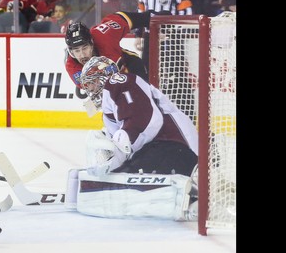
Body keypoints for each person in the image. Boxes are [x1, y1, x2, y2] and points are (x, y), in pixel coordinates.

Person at [65, 55, 198, 220]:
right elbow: (126, 144)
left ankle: (190, 196)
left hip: (176, 144)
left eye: (91, 82)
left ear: (103, 76)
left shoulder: (117, 82)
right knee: (121, 174)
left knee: (130, 176)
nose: (90, 89)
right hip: (161, 146)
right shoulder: (110, 105)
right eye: (87, 85)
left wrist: (121, 143)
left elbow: (145, 118)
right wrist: (110, 163)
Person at [64, 10, 151, 90]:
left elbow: (124, 18)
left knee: (134, 64)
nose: (82, 55)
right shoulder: (72, 67)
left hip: (127, 66)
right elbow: (92, 89)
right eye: (77, 51)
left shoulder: (103, 35)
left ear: (92, 43)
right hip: (109, 87)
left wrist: (153, 18)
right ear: (71, 52)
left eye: (85, 48)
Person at [134, 0, 193, 70]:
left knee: (174, 71)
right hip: (150, 36)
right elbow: (141, 12)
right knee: (147, 69)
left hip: (172, 39)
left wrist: (171, 32)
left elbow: (187, 13)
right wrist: (138, 35)